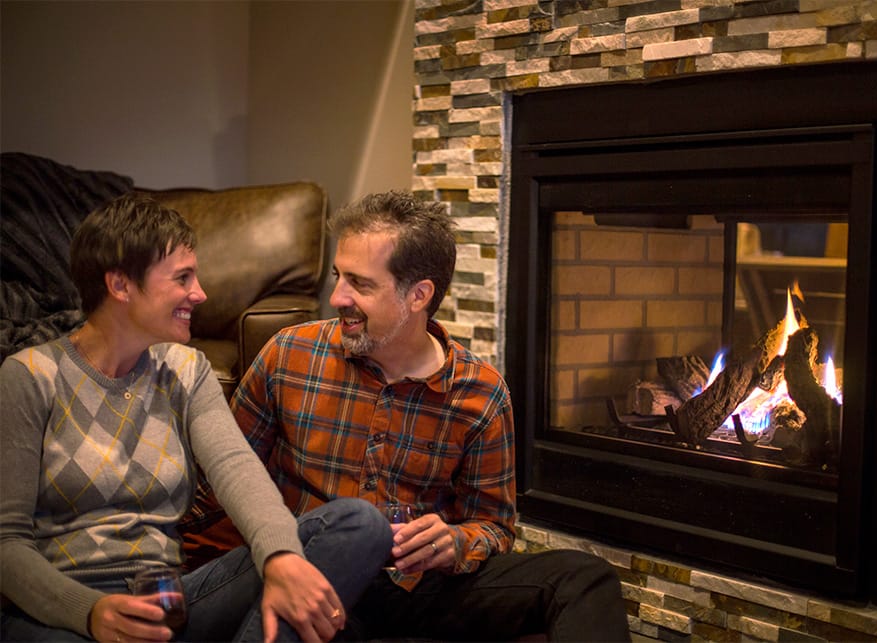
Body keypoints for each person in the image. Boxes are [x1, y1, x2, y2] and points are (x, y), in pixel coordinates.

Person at [185, 190, 631, 641]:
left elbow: (494, 526)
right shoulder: (290, 355)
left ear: (418, 295)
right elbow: (223, 481)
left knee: (584, 577)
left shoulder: (480, 392)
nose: (337, 297)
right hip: (322, 576)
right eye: (338, 276)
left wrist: (454, 543)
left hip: (423, 588)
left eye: (360, 284)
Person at [0, 193, 393, 643]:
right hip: (61, 613)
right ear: (121, 285)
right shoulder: (30, 377)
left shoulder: (186, 369)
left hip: (170, 602)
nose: (200, 293)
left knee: (359, 525)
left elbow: (236, 467)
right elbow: (5, 542)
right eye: (182, 277)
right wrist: (88, 612)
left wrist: (281, 558)